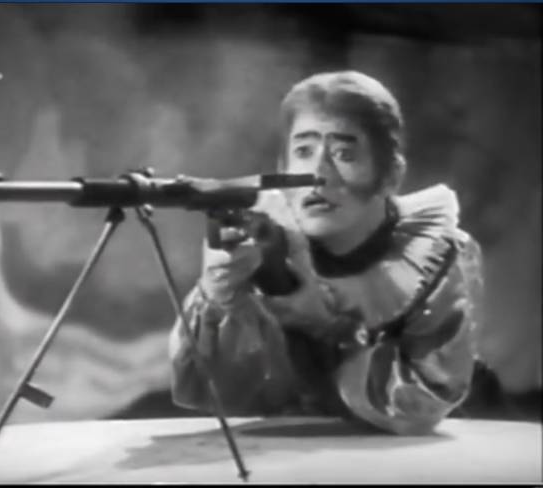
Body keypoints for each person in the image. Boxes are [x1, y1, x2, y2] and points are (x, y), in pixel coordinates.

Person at [168, 71, 485, 435]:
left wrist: (329, 327)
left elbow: (420, 402)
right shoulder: (266, 243)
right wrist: (218, 297)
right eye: (303, 151)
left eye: (344, 154)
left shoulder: (436, 256)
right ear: (283, 168)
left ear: (390, 174)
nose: (318, 174)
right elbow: (220, 392)